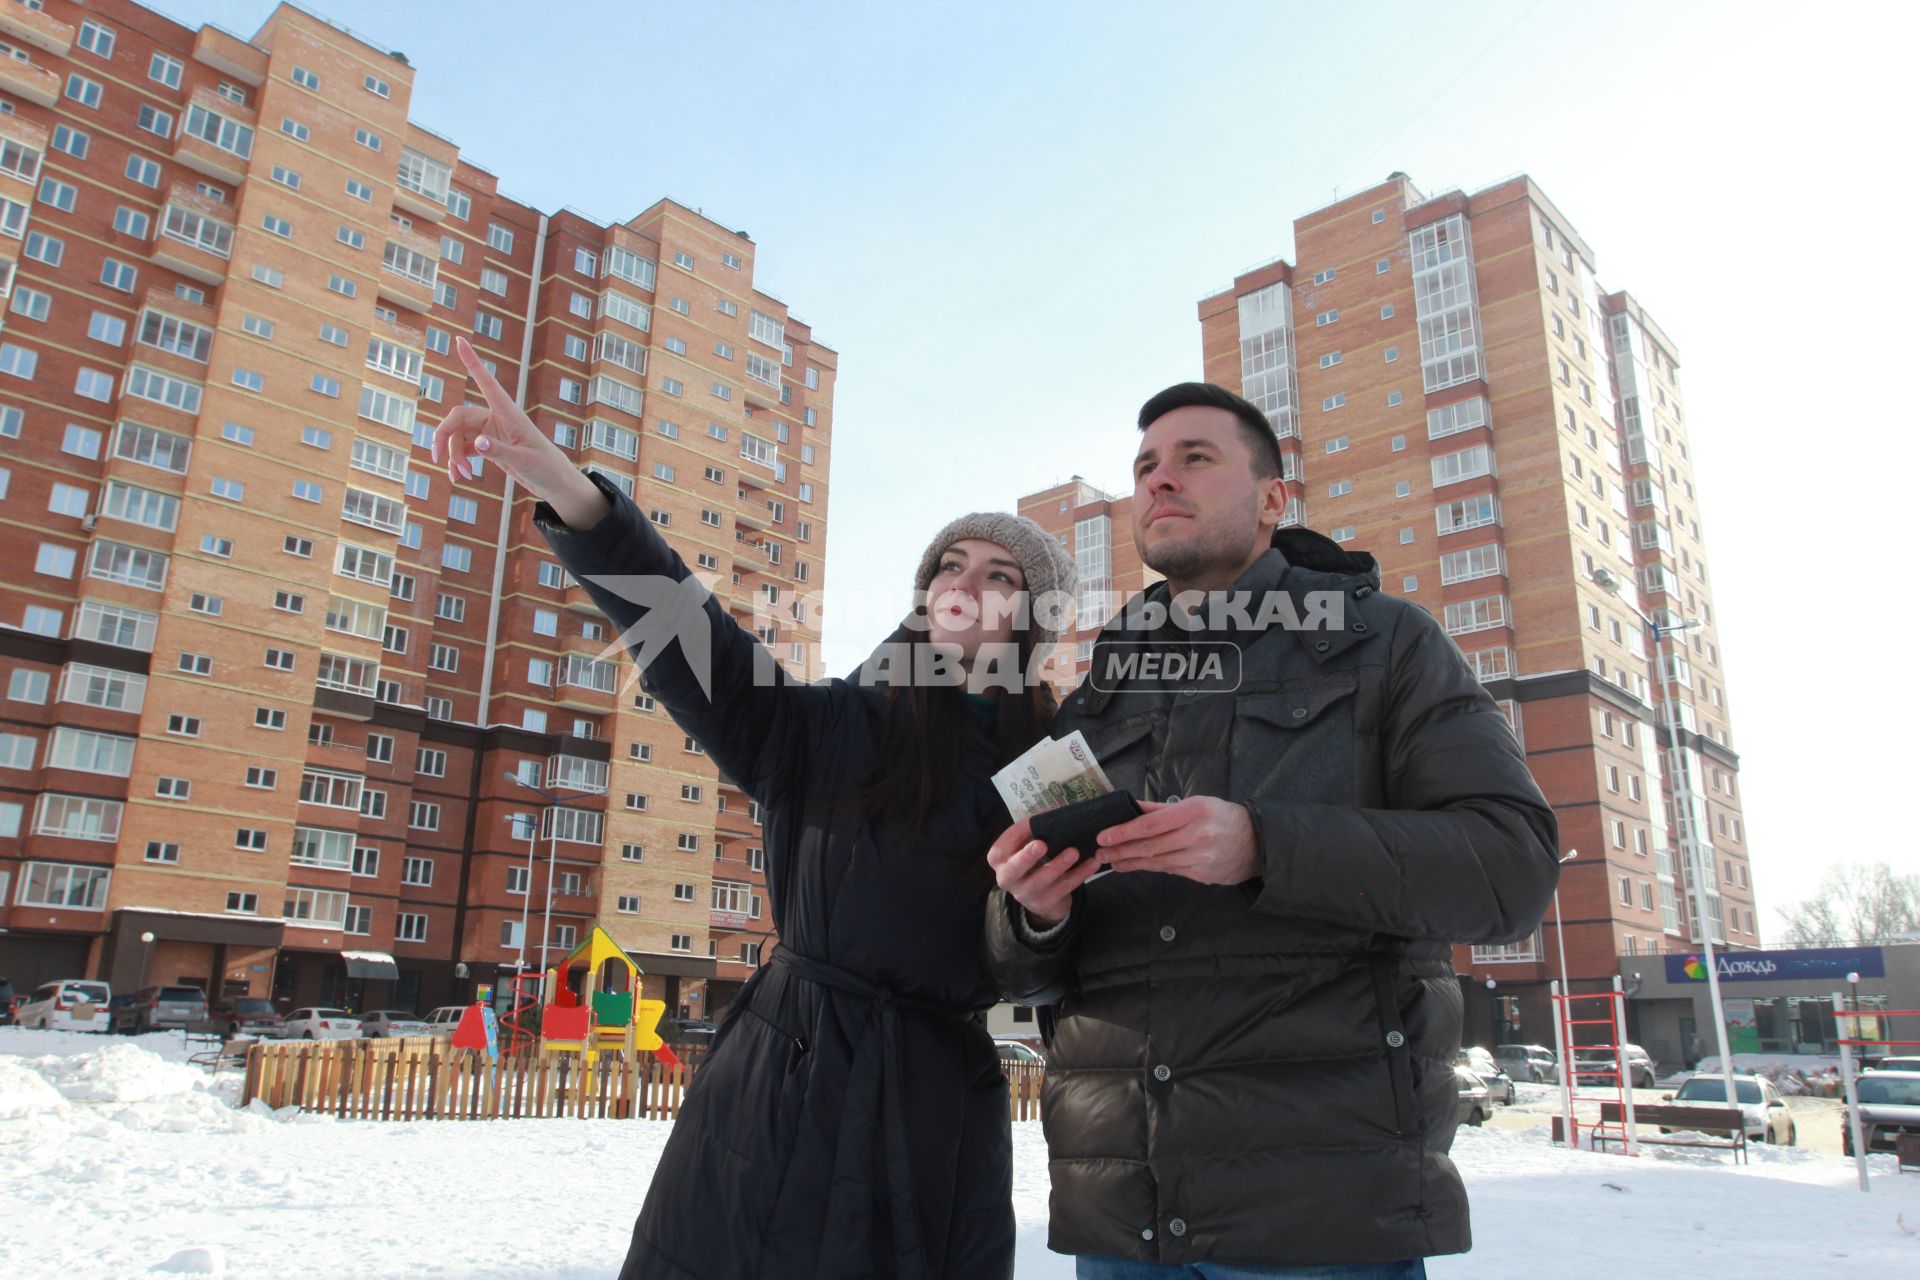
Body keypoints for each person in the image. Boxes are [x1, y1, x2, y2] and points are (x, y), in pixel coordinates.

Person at [432, 337, 1074, 1279]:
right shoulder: (831, 727)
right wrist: (571, 492)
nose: (960, 585)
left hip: (939, 1108)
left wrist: (1045, 920)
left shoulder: (1053, 770)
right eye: (949, 564)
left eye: (997, 575)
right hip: (785, 1085)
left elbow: (1059, 977)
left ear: (1034, 619)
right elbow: (694, 644)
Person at [983, 382, 1562, 1278]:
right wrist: (1033, 914)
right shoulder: (1100, 693)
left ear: (1273, 500)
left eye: (1195, 459)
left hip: (1316, 1218)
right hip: (1120, 1218)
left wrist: (1264, 845)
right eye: (1144, 468)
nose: (1158, 482)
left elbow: (1512, 868)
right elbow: (1028, 970)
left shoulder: (1385, 643)